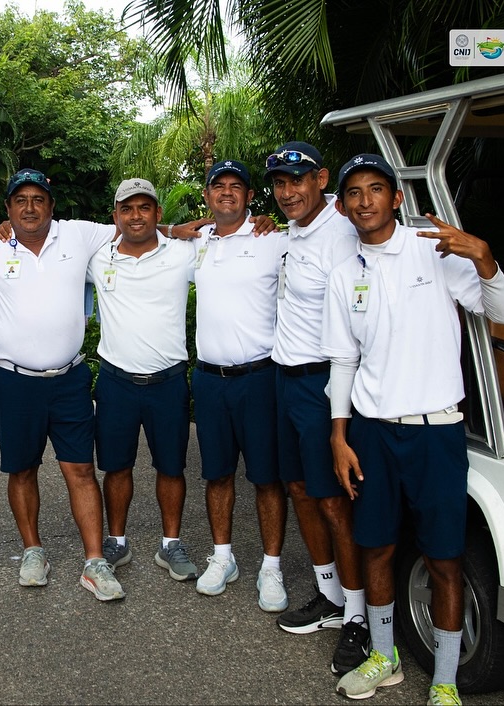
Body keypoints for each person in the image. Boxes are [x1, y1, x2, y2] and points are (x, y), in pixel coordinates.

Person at [322, 154, 504, 705]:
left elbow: (502, 313)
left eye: (375, 189)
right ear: (342, 206)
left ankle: (447, 681)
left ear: (396, 198)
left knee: (444, 557)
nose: (364, 201)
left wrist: (483, 257)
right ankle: (385, 656)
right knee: (377, 547)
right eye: (353, 193)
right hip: (372, 431)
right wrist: (339, 436)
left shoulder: (435, 249)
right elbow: (343, 360)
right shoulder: (345, 275)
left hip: (436, 430)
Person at [0, 168, 125, 601]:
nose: (29, 207)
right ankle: (32, 550)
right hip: (14, 381)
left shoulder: (77, 235)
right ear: (7, 209)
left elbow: (134, 223)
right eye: (20, 200)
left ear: (51, 205)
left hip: (70, 378)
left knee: (80, 468)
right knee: (22, 469)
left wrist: (180, 228)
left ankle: (95, 561)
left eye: (38, 199)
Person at [264, 142, 369, 675]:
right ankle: (329, 594)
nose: (288, 192)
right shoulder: (289, 232)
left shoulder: (343, 234)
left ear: (321, 179)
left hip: (322, 383)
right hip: (285, 381)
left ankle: (358, 614)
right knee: (300, 490)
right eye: (280, 183)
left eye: (297, 180)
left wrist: (341, 412)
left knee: (333, 502)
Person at [87, 178, 199, 582]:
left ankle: (170, 544)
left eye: (144, 208)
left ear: (158, 213)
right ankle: (117, 540)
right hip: (116, 381)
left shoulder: (185, 254)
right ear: (116, 216)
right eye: (127, 208)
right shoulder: (97, 257)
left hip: (168, 381)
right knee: (116, 468)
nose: (136, 216)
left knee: (171, 468)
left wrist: (262, 222)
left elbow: (229, 237)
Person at [190, 160, 290, 604]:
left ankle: (271, 568)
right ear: (208, 195)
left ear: (250, 197)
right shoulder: (198, 241)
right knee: (217, 474)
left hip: (259, 378)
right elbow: (160, 229)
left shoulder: (274, 240)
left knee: (267, 478)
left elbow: (325, 224)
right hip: (210, 379)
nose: (226, 192)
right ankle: (223, 556)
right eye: (218, 186)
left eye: (236, 187)